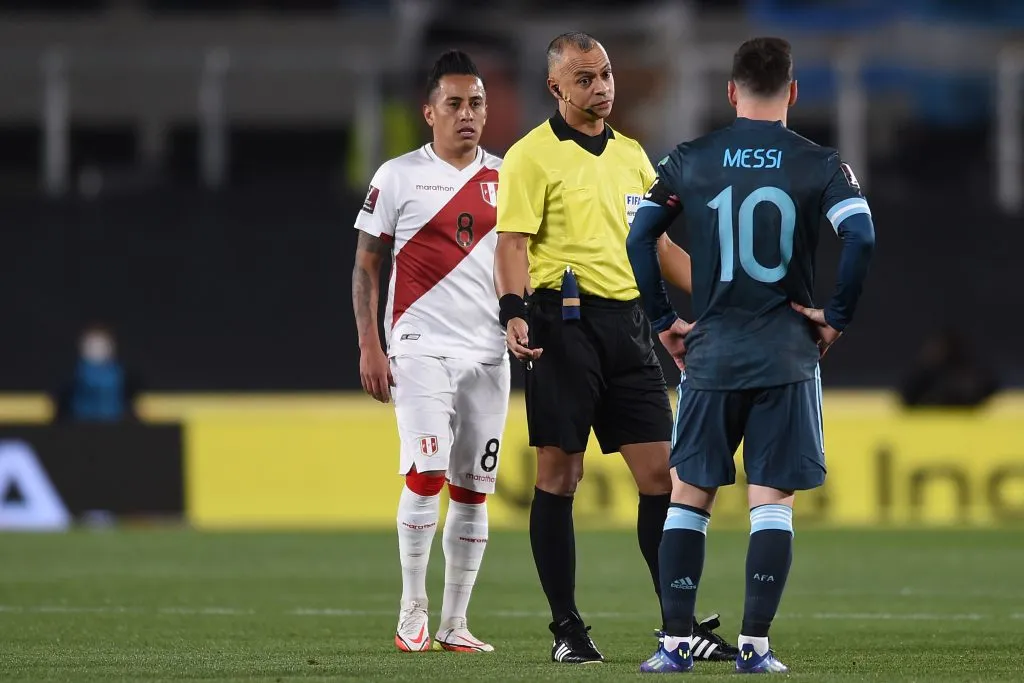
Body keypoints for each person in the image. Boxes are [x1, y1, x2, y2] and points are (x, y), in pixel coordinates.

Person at [627, 37, 876, 673]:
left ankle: (675, 645)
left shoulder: (691, 159)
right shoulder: (820, 163)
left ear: (731, 91)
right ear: (793, 91)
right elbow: (861, 236)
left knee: (689, 498)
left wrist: (664, 322)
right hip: (786, 354)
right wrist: (835, 318)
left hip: (710, 354)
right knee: (771, 505)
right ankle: (756, 648)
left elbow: (639, 237)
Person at [493, 31, 736, 664]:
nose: (601, 87)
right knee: (560, 476)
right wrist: (513, 312)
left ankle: (678, 625)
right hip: (562, 326)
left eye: (605, 75)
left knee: (663, 476)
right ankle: (567, 629)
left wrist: (729, 293)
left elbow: (659, 247)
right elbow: (512, 243)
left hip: (628, 327)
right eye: (585, 78)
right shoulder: (529, 156)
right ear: (555, 87)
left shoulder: (632, 156)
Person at [351, 50, 507, 654]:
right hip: (419, 347)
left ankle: (454, 622)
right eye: (455, 103)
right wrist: (370, 344)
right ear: (429, 112)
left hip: (488, 353)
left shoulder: (508, 178)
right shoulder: (397, 176)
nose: (467, 114)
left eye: (476, 104)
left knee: (473, 489)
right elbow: (366, 265)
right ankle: (411, 609)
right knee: (427, 473)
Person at [54, 324, 140, 423]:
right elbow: (62, 402)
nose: (97, 350)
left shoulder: (122, 374)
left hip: (114, 425)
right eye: (92, 346)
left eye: (101, 346)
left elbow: (132, 402)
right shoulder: (73, 374)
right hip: (80, 425)